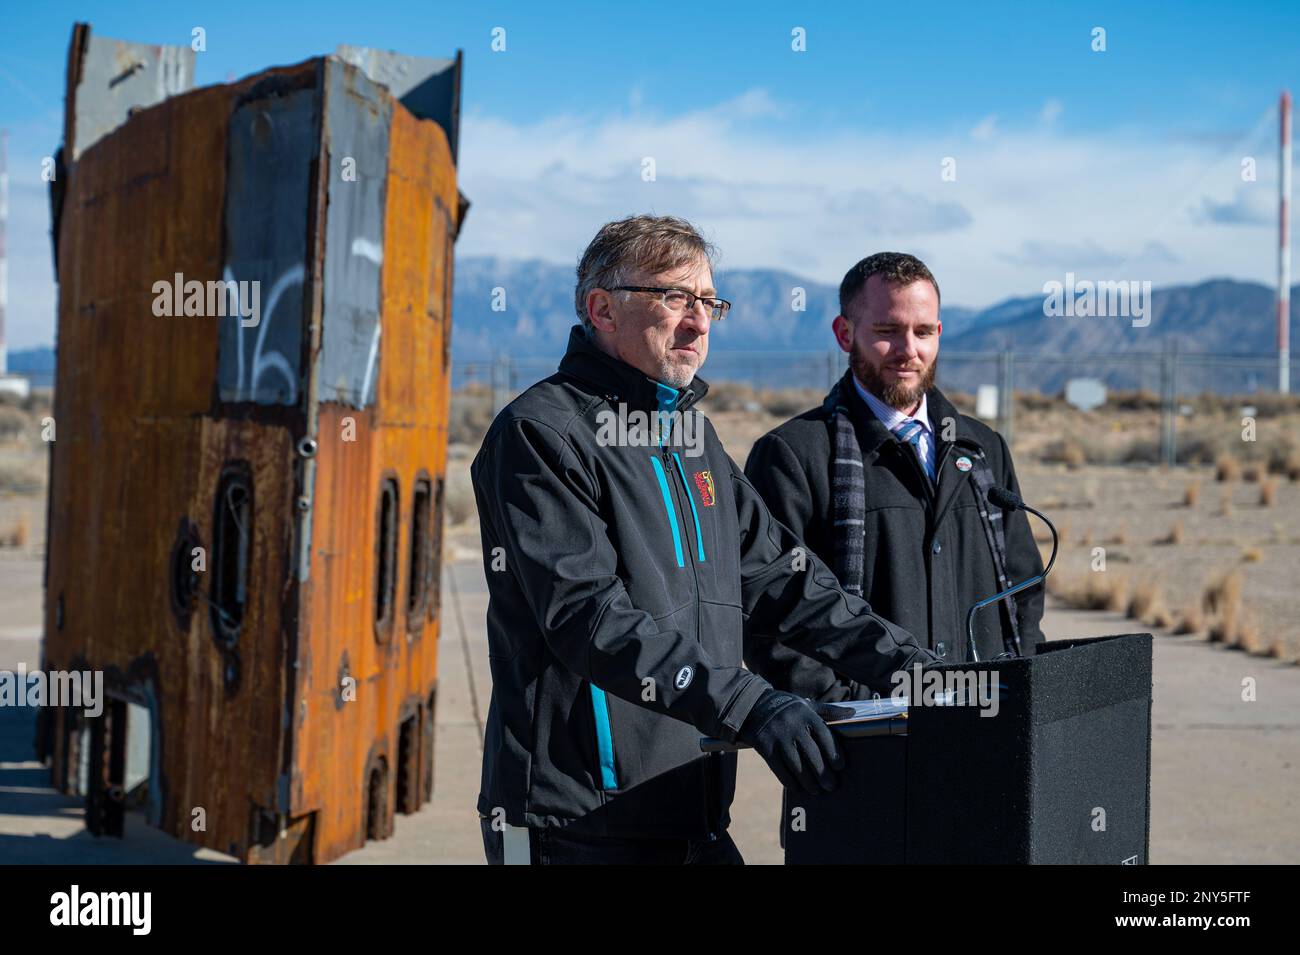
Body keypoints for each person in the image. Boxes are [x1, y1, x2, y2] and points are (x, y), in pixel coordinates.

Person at [472, 217, 936, 864]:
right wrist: (752, 703)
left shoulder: (695, 441)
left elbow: (786, 581)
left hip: (692, 813)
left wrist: (918, 669)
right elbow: (589, 617)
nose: (699, 322)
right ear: (602, 308)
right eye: (675, 299)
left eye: (709, 303)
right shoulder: (540, 435)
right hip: (577, 824)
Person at [744, 252, 1045, 703]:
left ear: (939, 334)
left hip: (985, 731)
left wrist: (1015, 692)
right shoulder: (792, 456)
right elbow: (770, 613)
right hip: (865, 746)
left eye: (923, 332)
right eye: (887, 332)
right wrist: (849, 711)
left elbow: (1023, 587)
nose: (909, 351)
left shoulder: (983, 450)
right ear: (845, 334)